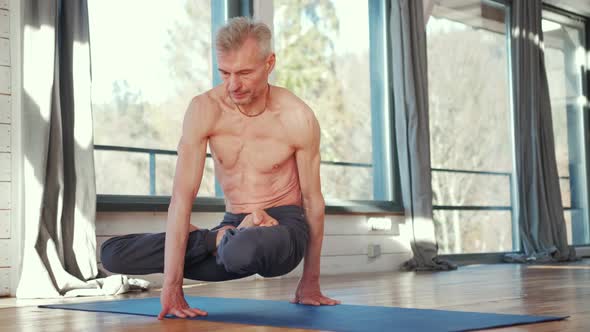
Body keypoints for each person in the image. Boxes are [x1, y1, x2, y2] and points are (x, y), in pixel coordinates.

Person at [100, 17, 340, 320]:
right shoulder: (205, 110)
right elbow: (181, 200)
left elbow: (313, 202)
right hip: (232, 229)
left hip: (282, 229)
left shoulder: (296, 116)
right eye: (224, 73)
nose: (232, 85)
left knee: (241, 249)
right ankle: (217, 238)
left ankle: (231, 238)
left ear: (269, 63)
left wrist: (310, 281)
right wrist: (173, 286)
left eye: (244, 73)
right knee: (112, 254)